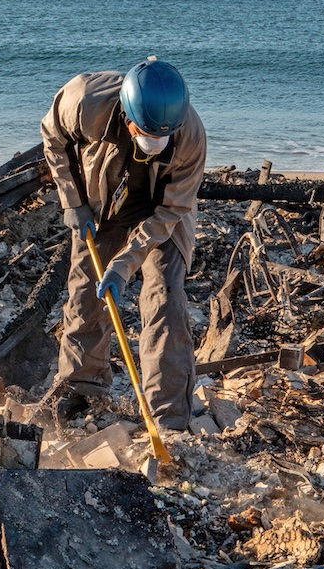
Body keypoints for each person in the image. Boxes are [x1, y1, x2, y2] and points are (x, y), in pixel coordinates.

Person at [39, 57, 206, 429]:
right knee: (85, 293)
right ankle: (83, 388)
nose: (154, 144)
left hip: (162, 212)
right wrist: (73, 202)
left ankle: (169, 415)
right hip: (103, 201)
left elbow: (172, 209)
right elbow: (53, 137)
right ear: (127, 116)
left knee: (166, 298)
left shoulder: (190, 135)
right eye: (146, 134)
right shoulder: (86, 101)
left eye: (161, 139)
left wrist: (125, 263)